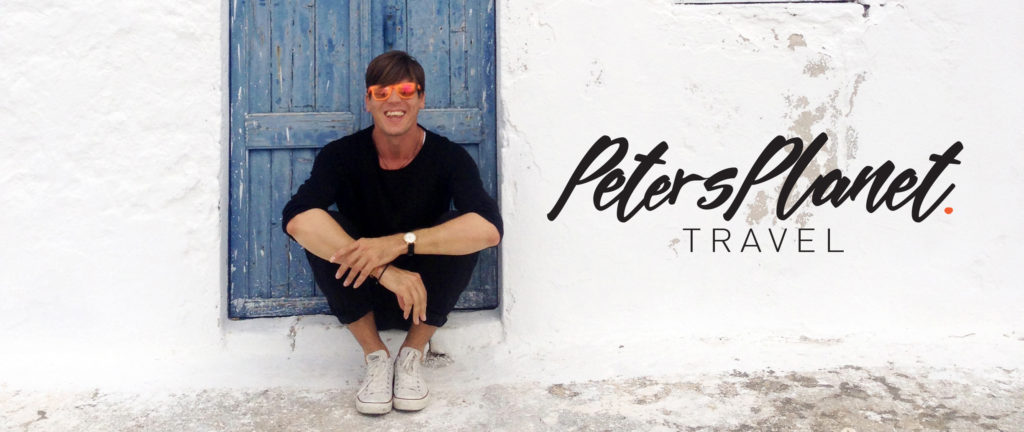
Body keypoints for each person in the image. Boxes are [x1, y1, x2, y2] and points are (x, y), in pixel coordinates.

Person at [281, 50, 502, 415]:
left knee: (459, 226)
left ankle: (411, 355)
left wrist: (398, 244)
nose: (394, 101)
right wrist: (383, 269)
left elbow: (489, 229)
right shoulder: (340, 156)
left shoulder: (449, 158)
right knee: (327, 228)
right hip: (361, 294)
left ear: (421, 99)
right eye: (381, 92)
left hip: (422, 298)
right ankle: (377, 357)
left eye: (406, 90)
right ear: (368, 101)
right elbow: (297, 219)